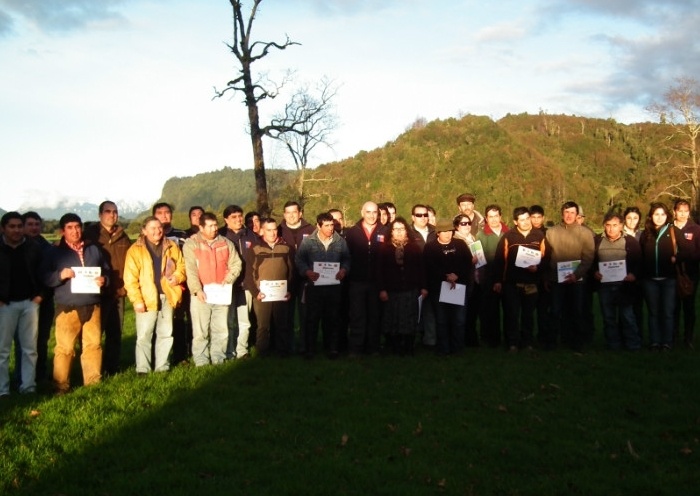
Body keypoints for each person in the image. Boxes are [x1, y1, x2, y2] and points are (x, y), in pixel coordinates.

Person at [41, 213, 110, 394]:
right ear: (62, 231)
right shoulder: (53, 252)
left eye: (77, 226)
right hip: (68, 307)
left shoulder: (94, 249)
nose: (75, 231)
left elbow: (107, 271)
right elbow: (44, 277)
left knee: (93, 345)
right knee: (64, 348)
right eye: (70, 228)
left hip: (93, 304)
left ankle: (93, 383)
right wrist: (59, 276)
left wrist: (105, 280)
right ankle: (60, 385)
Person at [123, 217, 186, 373]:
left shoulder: (172, 246)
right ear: (144, 230)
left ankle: (162, 367)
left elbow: (181, 267)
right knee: (144, 335)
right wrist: (137, 300)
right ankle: (143, 369)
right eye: (152, 228)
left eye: (159, 227)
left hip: (167, 295)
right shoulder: (135, 250)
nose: (157, 231)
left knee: (166, 333)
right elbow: (130, 279)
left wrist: (177, 277)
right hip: (146, 297)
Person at [183, 212, 242, 366]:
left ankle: (218, 358)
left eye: (215, 225)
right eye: (209, 226)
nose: (214, 229)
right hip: (201, 294)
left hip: (221, 293)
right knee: (200, 331)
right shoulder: (192, 244)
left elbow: (236, 264)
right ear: (201, 227)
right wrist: (197, 290)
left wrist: (228, 279)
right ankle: (201, 360)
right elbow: (190, 269)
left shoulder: (226, 243)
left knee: (221, 329)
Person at [83, 201, 131, 376]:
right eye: (108, 211)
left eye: (115, 212)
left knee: (115, 332)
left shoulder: (123, 236)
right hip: (96, 293)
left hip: (117, 292)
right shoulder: (90, 235)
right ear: (100, 215)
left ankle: (112, 368)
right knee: (93, 334)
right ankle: (91, 369)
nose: (112, 215)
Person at [295, 212, 351, 359]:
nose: (330, 228)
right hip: (314, 286)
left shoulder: (341, 242)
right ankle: (310, 349)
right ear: (318, 226)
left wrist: (344, 270)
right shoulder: (308, 242)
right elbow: (299, 259)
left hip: (334, 287)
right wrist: (307, 272)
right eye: (326, 226)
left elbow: (347, 259)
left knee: (333, 318)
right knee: (312, 318)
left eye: (332, 225)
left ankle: (332, 349)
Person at [493, 207, 548, 351]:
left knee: (528, 315)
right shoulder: (508, 236)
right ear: (515, 222)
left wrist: (538, 268)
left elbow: (547, 258)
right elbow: (500, 259)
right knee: (512, 314)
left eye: (527, 218)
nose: (525, 222)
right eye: (522, 220)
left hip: (531, 283)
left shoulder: (539, 236)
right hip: (512, 283)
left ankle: (527, 342)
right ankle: (512, 342)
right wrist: (498, 280)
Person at [0, 212, 43, 396]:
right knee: (2, 350)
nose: (17, 230)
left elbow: (44, 272)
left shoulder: (34, 247)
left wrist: (40, 296)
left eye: (19, 226)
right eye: (12, 226)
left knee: (29, 349)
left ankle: (28, 387)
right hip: (5, 305)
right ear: (3, 228)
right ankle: (2, 390)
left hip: (29, 303)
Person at [544, 201, 595, 351]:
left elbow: (588, 257)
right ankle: (551, 342)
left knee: (577, 311)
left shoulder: (586, 233)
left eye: (572, 213)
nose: (569, 215)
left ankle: (577, 343)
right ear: (562, 213)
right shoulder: (551, 232)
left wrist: (576, 274)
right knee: (555, 311)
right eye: (566, 212)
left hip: (577, 279)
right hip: (556, 280)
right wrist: (547, 277)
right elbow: (546, 257)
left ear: (577, 215)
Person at [592, 212, 642, 351]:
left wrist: (633, 274)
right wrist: (594, 272)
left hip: (624, 286)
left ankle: (633, 344)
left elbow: (639, 262)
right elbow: (592, 262)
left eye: (615, 225)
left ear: (621, 226)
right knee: (608, 318)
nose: (611, 229)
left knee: (627, 317)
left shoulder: (630, 242)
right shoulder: (597, 241)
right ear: (604, 226)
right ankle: (613, 345)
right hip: (605, 287)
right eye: (608, 225)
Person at [377, 217, 427, 355]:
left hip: (410, 290)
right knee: (393, 319)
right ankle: (395, 347)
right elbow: (380, 271)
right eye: (396, 229)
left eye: (402, 229)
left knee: (410, 319)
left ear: (407, 231)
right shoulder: (385, 249)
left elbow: (421, 269)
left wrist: (423, 287)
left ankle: (409, 347)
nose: (399, 232)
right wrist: (382, 289)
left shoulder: (414, 248)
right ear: (391, 232)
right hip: (392, 291)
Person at [639, 202, 685, 350]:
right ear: (651, 216)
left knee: (667, 312)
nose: (659, 218)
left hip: (668, 279)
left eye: (662, 214)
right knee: (653, 312)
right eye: (656, 214)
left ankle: (667, 342)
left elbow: (685, 251)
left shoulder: (673, 231)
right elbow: (639, 255)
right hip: (650, 280)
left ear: (667, 216)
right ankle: (654, 341)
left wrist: (676, 258)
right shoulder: (646, 233)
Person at [424, 219, 473, 355]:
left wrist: (457, 275)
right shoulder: (430, 247)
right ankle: (443, 348)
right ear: (438, 232)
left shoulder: (460, 244)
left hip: (459, 287)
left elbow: (468, 262)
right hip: (439, 288)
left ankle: (457, 348)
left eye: (450, 231)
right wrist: (446, 276)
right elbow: (429, 267)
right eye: (444, 231)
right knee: (441, 320)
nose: (447, 234)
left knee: (459, 320)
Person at [245, 218, 293, 356]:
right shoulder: (255, 249)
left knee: (281, 324)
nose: (272, 233)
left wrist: (289, 290)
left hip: (281, 293)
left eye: (274, 229)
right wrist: (255, 292)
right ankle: (262, 351)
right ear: (262, 231)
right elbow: (250, 273)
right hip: (262, 294)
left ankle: (282, 351)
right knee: (263, 326)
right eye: (268, 230)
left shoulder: (286, 248)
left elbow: (291, 271)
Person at [345, 201, 388, 355]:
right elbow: (346, 256)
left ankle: (373, 348)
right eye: (368, 212)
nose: (371, 215)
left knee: (374, 316)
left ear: (379, 214)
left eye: (374, 212)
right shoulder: (352, 232)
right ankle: (356, 348)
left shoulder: (385, 231)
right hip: (357, 281)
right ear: (362, 212)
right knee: (357, 316)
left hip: (377, 282)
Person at [152, 202, 191, 363]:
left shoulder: (181, 234)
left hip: (179, 283)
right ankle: (158, 357)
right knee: (158, 323)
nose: (164, 215)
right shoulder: (151, 236)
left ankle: (180, 355)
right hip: (157, 287)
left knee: (179, 320)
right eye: (160, 213)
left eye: (167, 212)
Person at [219, 205, 258, 360]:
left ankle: (242, 350)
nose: (238, 219)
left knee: (244, 321)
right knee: (228, 321)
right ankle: (229, 351)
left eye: (239, 216)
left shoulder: (251, 235)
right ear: (226, 219)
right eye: (233, 217)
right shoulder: (221, 235)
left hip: (246, 284)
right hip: (226, 285)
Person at [20, 211, 54, 382]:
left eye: (36, 224)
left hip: (44, 301)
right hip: (21, 300)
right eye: (30, 224)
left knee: (41, 340)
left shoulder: (48, 249)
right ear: (23, 226)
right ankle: (21, 376)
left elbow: (51, 276)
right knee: (22, 343)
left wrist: (42, 296)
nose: (34, 227)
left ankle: (39, 374)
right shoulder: (16, 247)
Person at [278, 201, 314, 353]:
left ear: (300, 213)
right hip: (284, 278)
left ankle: (305, 346)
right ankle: (287, 346)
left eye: (294, 212)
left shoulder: (311, 229)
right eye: (288, 212)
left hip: (305, 279)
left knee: (305, 314)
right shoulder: (278, 230)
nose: (291, 215)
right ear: (284, 214)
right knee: (286, 315)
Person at [473, 204, 508, 347]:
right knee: (490, 311)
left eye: (496, 216)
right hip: (489, 278)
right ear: (486, 219)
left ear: (500, 216)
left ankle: (509, 338)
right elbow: (479, 260)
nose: (493, 220)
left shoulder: (509, 233)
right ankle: (492, 339)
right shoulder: (480, 235)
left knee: (509, 310)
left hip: (507, 278)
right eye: (490, 217)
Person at [672, 199, 700, 349]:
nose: (682, 214)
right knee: (673, 307)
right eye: (679, 211)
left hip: (690, 274)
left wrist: (682, 257)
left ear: (689, 212)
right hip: (672, 273)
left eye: (685, 211)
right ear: (674, 211)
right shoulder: (668, 228)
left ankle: (688, 338)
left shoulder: (696, 229)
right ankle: (674, 335)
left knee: (689, 306)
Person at [529, 205, 550, 345]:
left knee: (543, 311)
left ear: (543, 218)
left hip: (543, 277)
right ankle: (528, 338)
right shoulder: (525, 233)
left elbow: (549, 256)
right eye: (533, 217)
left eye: (538, 217)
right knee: (528, 310)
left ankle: (544, 338)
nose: (536, 220)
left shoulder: (548, 233)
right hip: (529, 277)